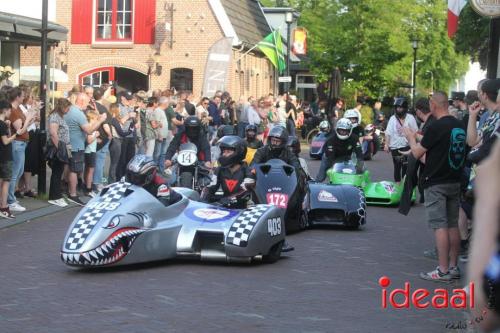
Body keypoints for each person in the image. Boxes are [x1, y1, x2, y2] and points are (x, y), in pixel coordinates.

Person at [403, 91, 467, 282]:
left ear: (433, 105)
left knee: (440, 226)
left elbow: (416, 153)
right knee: (453, 224)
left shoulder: (436, 126)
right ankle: (454, 267)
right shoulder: (458, 125)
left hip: (436, 182)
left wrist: (410, 138)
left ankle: (442, 270)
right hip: (454, 180)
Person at [202, 136, 255, 209]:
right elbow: (211, 187)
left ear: (239, 152)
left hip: (243, 209)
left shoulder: (248, 171)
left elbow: (245, 192)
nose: (224, 154)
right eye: (223, 152)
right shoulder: (219, 169)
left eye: (228, 152)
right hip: (224, 207)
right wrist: (202, 200)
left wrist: (229, 199)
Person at [315, 118, 363, 182]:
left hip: (347, 156)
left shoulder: (354, 138)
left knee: (352, 172)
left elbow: (359, 152)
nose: (342, 132)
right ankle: (317, 184)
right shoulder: (331, 139)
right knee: (322, 176)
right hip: (329, 157)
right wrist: (333, 167)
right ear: (337, 129)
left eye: (345, 130)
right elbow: (330, 156)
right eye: (341, 130)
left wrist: (360, 164)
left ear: (350, 130)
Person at [384, 97, 418, 183]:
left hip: (407, 146)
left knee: (405, 167)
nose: (398, 109)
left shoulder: (410, 118)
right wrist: (386, 144)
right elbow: (388, 133)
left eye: (400, 107)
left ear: (405, 108)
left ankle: (404, 185)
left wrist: (414, 144)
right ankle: (398, 185)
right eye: (397, 107)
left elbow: (415, 132)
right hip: (395, 147)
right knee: (397, 166)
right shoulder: (392, 118)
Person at [47, 99, 72, 207]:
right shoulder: (55, 116)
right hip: (58, 148)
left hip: (64, 146)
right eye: (67, 107)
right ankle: (54, 197)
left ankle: (57, 195)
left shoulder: (60, 117)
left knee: (59, 171)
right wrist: (59, 149)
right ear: (63, 107)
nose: (69, 109)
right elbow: (53, 133)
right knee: (57, 172)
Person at [0, 100, 18, 218]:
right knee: (6, 182)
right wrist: (15, 136)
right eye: (10, 110)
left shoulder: (3, 124)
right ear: (5, 110)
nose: (10, 112)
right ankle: (4, 207)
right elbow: (5, 141)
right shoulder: (1, 124)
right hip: (5, 156)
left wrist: (8, 128)